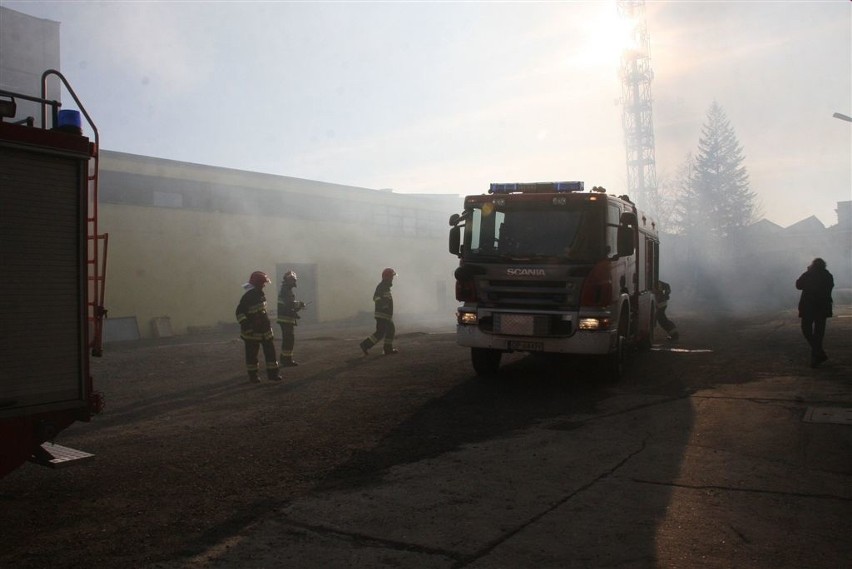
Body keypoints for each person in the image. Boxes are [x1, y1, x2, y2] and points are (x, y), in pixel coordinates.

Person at [235, 271, 282, 383]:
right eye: (262, 283)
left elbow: (261, 312)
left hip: (265, 331)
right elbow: (239, 313)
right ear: (256, 284)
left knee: (270, 353)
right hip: (252, 332)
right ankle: (253, 376)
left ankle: (273, 374)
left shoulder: (260, 294)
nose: (264, 285)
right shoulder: (247, 297)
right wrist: (247, 327)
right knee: (252, 355)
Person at [795, 258, 834, 368]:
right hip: (822, 308)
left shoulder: (809, 274)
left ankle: (818, 354)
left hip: (809, 307)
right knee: (819, 334)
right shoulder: (828, 276)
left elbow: (798, 285)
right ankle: (817, 356)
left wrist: (807, 272)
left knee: (806, 329)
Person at [360, 268, 399, 356]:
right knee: (380, 333)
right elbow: (376, 297)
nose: (392, 278)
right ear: (387, 277)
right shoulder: (382, 286)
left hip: (386, 315)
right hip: (382, 315)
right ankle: (365, 345)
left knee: (390, 330)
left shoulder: (386, 287)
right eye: (391, 277)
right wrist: (383, 305)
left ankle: (387, 349)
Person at [276, 270, 306, 367]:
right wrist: (299, 304)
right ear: (288, 281)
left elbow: (289, 305)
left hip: (286, 318)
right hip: (285, 319)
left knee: (288, 339)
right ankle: (286, 360)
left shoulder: (286, 290)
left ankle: (286, 358)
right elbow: (289, 304)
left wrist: (297, 307)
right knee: (288, 339)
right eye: (293, 280)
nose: (294, 283)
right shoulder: (286, 290)